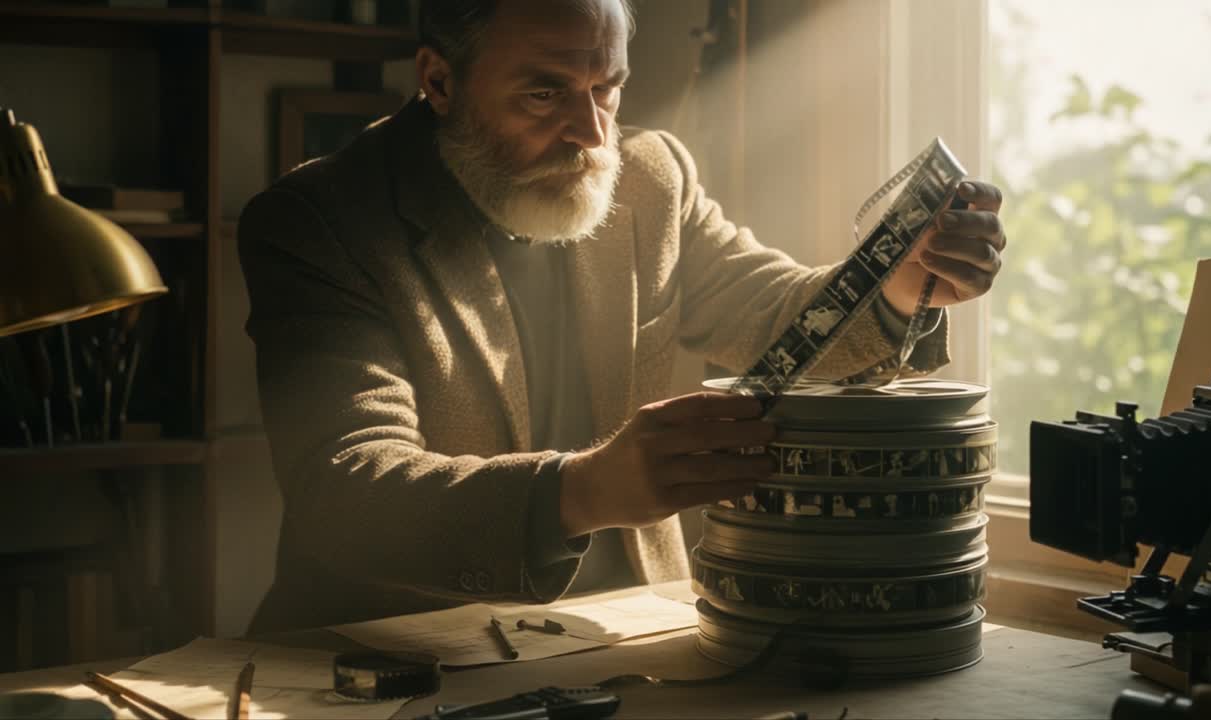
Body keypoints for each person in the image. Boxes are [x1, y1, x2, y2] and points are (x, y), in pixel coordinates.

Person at [238, 0, 1007, 632]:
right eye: (545, 95)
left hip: (632, 633)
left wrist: (900, 285)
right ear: (438, 81)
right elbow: (347, 489)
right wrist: (581, 491)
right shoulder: (319, 220)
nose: (593, 133)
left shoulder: (650, 177)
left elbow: (773, 311)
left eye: (607, 88)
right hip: (391, 659)